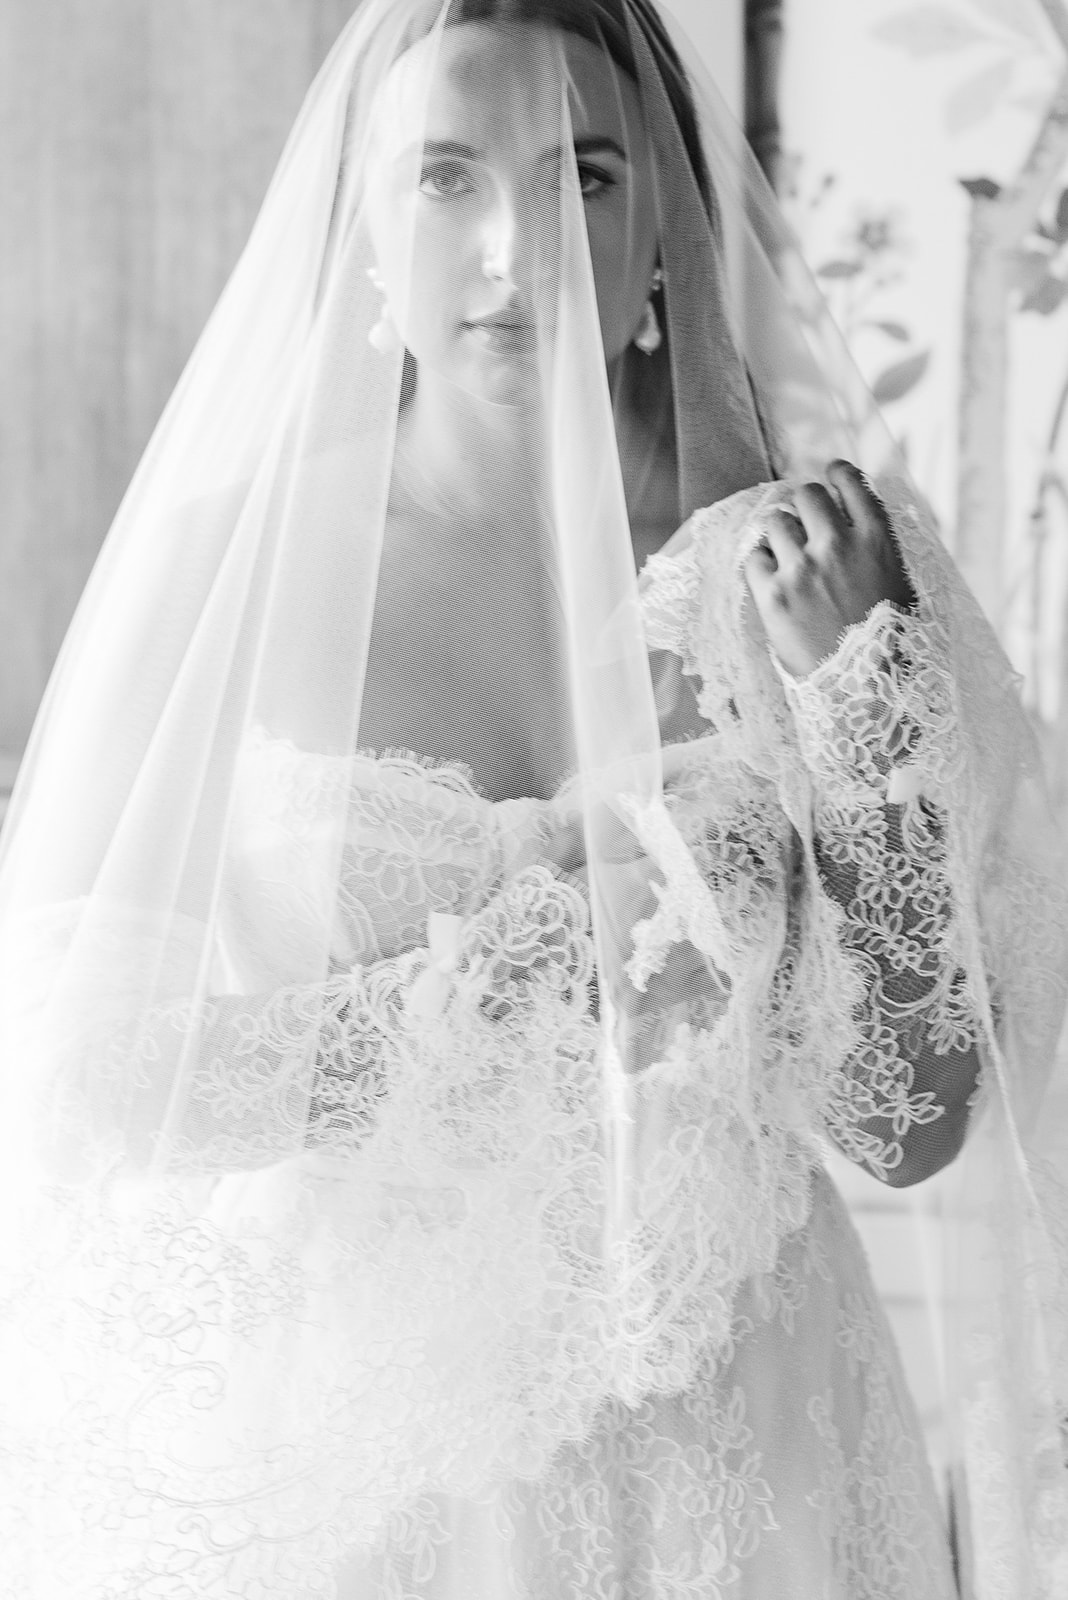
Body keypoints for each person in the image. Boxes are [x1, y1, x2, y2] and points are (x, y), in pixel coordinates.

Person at [1, 1, 1066, 1595]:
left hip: (746, 1437)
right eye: (447, 178)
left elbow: (905, 1122)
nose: (519, 248)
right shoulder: (233, 567)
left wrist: (863, 728)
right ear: (366, 218)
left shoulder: (830, 559)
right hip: (354, 1457)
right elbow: (77, 1072)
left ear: (668, 228)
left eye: (582, 177)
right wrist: (515, 988)